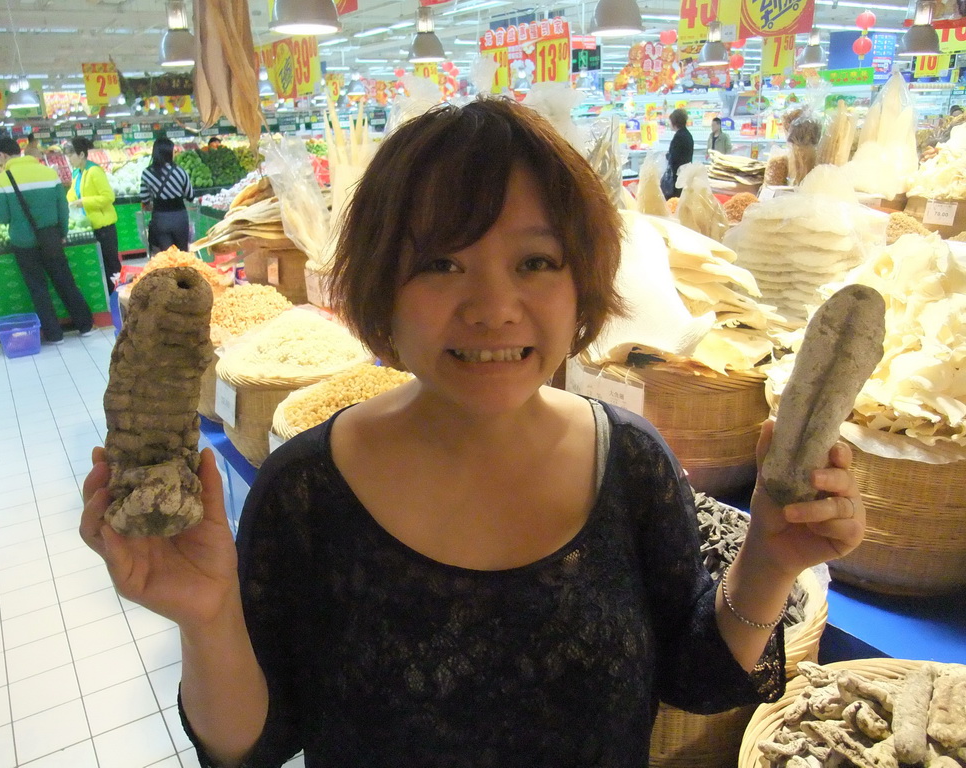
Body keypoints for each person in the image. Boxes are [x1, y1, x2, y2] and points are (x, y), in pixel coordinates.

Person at [81, 99, 865, 768]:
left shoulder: (632, 466)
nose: (493, 305)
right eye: (442, 265)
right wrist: (206, 615)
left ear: (580, 282)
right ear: (383, 287)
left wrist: (771, 554)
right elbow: (252, 746)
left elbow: (696, 679)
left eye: (535, 262)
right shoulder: (306, 490)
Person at [0, 136, 93, 344]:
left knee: (39, 289)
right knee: (65, 282)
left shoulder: (2, 179)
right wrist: (61, 233)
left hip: (23, 244)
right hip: (51, 239)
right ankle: (85, 325)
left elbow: (0, 217)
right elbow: (62, 208)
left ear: (2, 155)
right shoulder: (48, 173)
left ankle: (55, 335)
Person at [66, 137, 120, 290]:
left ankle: (119, 298)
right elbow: (72, 193)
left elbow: (108, 197)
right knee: (101, 266)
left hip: (104, 227)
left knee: (111, 266)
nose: (68, 159)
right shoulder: (77, 173)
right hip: (89, 227)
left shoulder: (94, 171)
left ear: (81, 154)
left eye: (71, 155)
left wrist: (84, 201)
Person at [141, 137, 194, 253]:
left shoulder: (147, 173)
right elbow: (190, 195)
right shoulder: (181, 172)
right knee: (182, 255)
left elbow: (144, 198)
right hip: (180, 218)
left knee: (167, 256)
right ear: (169, 152)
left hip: (160, 219)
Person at [665, 108, 694, 199]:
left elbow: (674, 157)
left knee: (674, 201)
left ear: (674, 122)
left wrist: (666, 156)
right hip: (685, 173)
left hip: (677, 176)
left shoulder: (678, 137)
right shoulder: (688, 135)